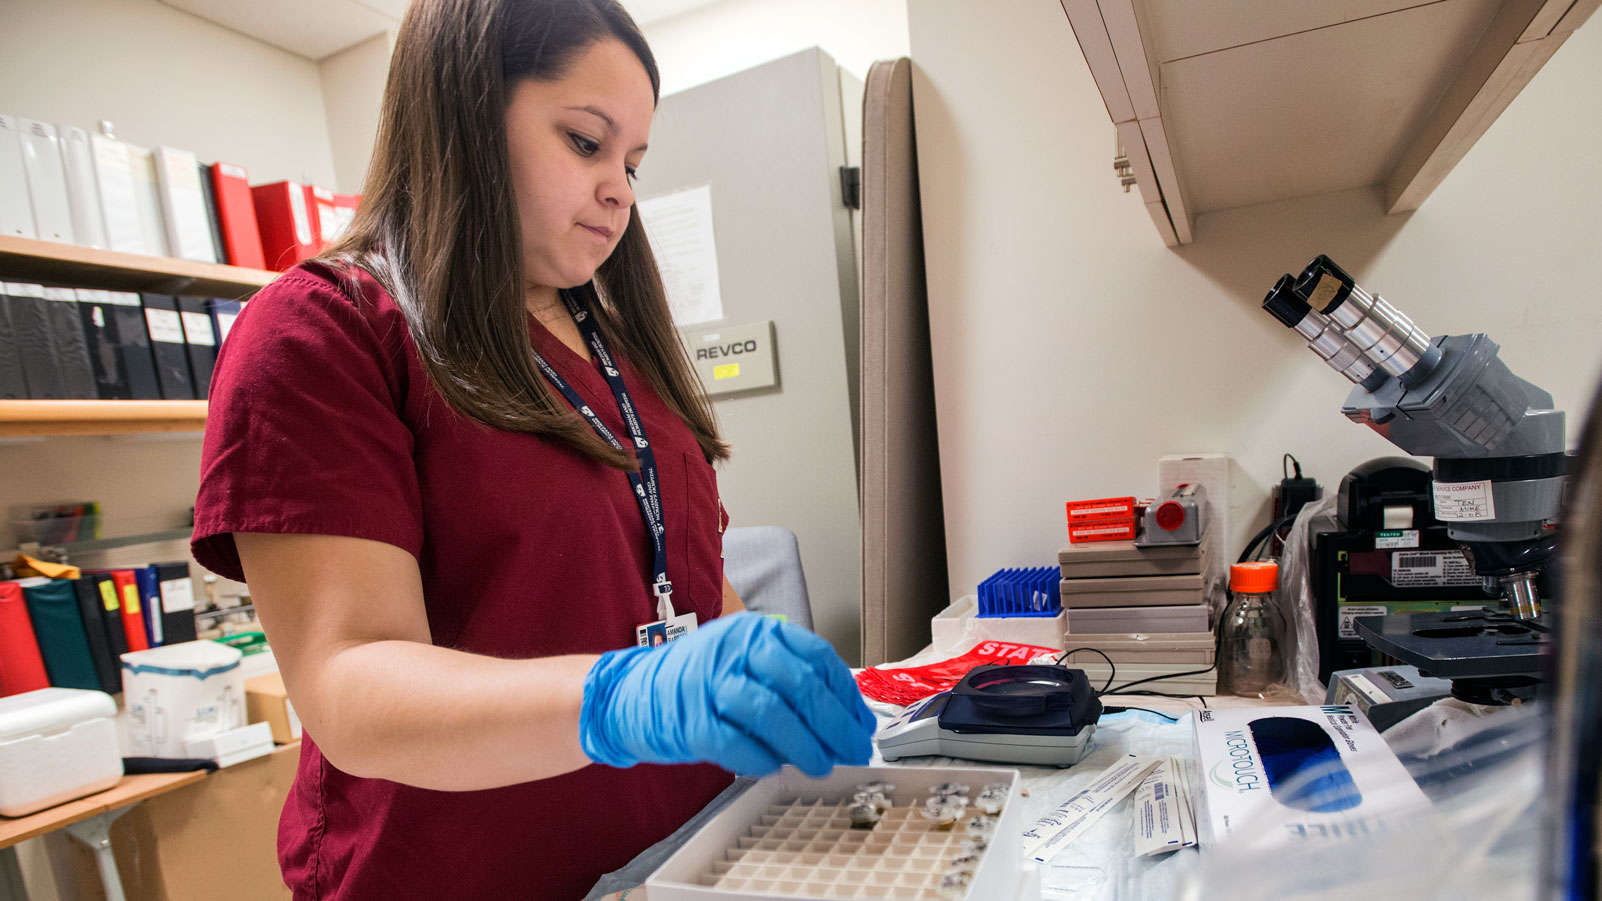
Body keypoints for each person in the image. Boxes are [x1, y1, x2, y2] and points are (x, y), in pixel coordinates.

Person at [189, 1, 875, 898]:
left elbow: (676, 568)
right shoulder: (325, 333)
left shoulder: (614, 344)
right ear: (468, 115)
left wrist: (753, 659)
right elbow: (349, 681)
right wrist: (627, 695)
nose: (621, 189)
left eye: (633, 162)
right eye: (587, 144)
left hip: (680, 856)